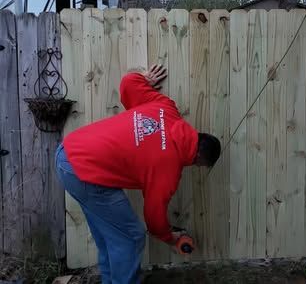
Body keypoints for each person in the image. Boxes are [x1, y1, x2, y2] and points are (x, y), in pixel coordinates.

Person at [55, 64, 221, 284]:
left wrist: (143, 77)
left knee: (111, 238)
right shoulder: (169, 170)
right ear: (200, 159)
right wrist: (170, 238)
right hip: (84, 171)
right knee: (131, 237)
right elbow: (153, 218)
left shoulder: (166, 108)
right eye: (199, 166)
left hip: (68, 152)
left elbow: (128, 84)